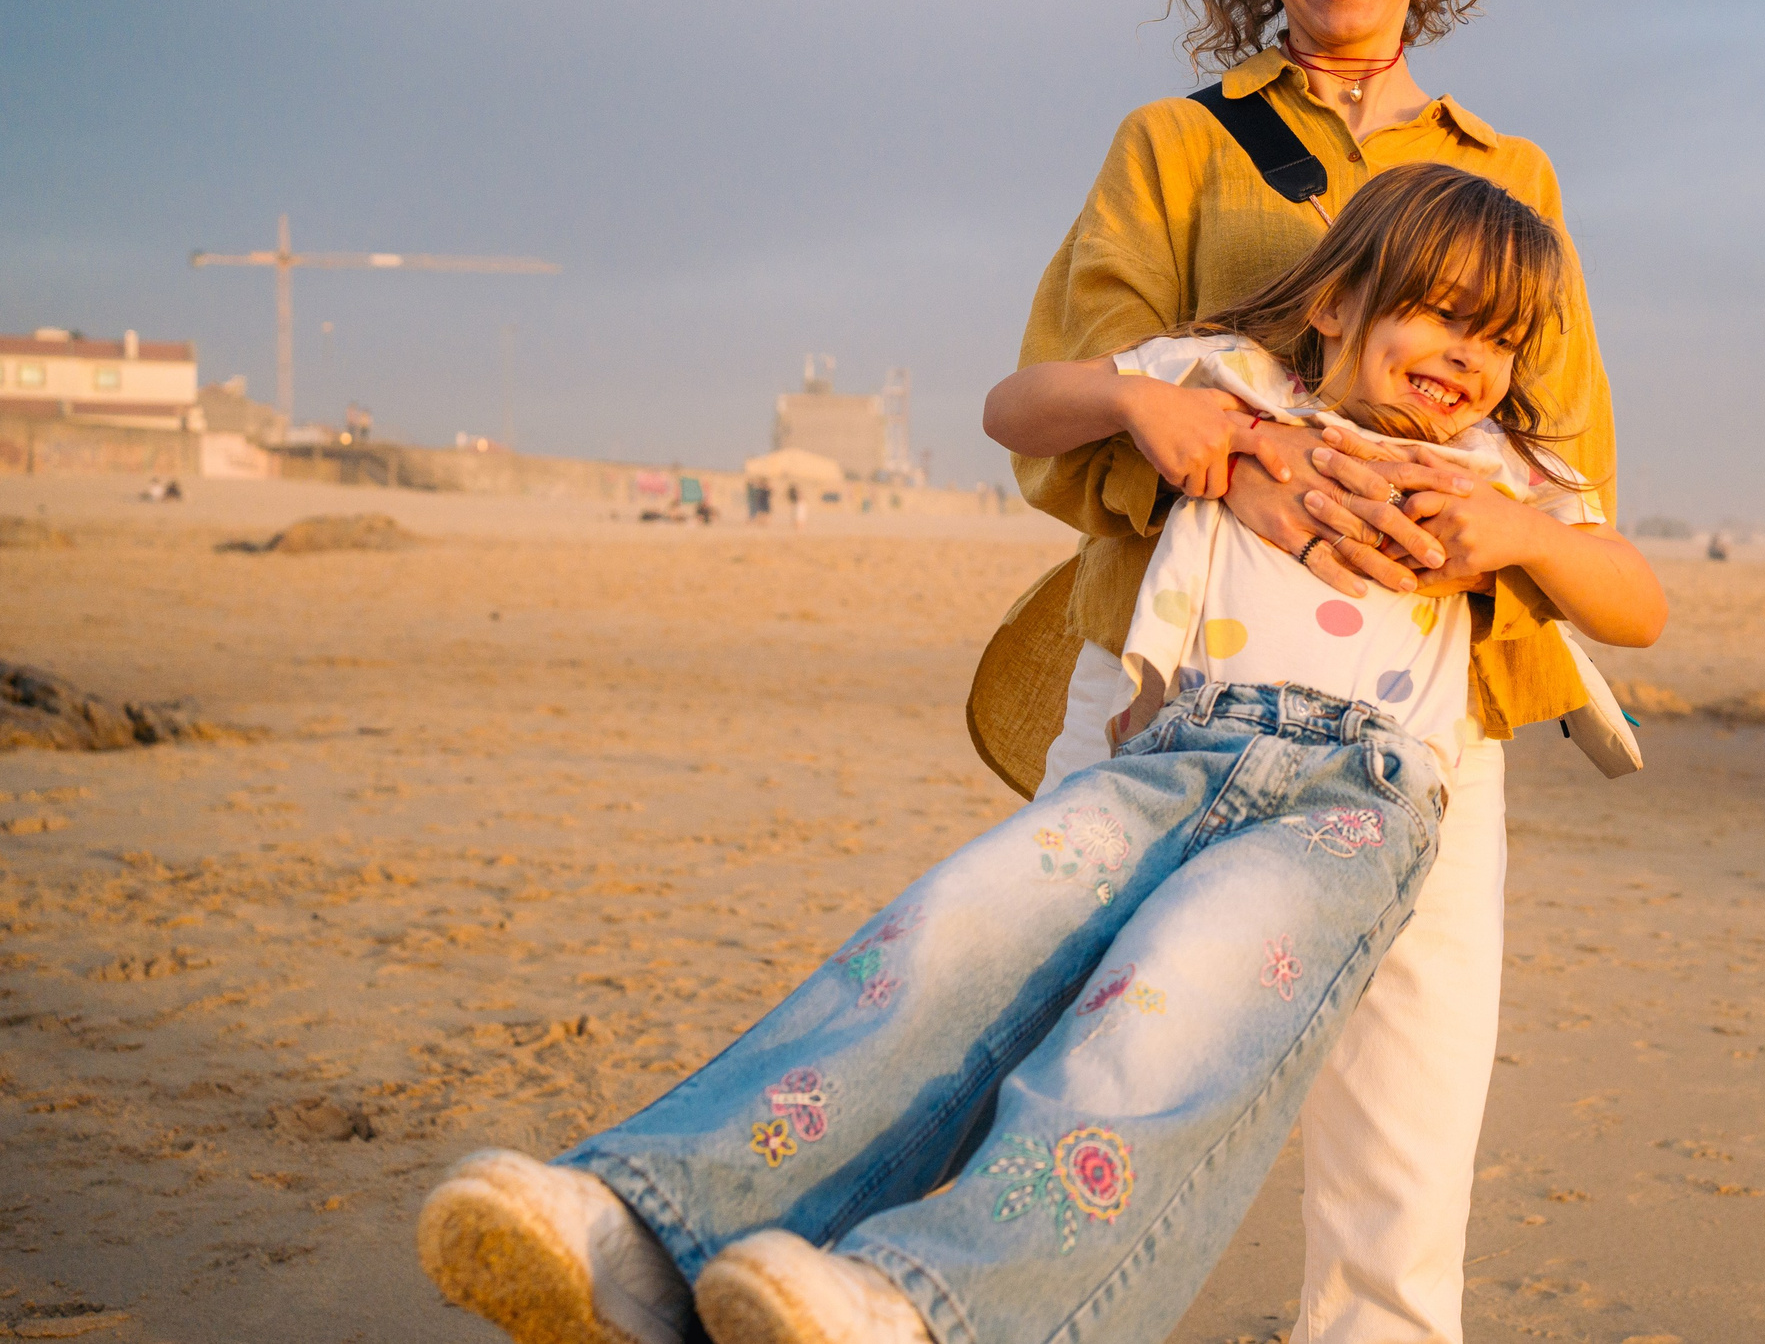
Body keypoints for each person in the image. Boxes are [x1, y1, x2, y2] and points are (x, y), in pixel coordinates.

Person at [414, 166, 1666, 1344]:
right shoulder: (1229, 383)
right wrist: (1143, 403)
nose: (1465, 354)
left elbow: (1634, 602)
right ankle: (645, 1218)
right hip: (1175, 749)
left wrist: (1519, 537)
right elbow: (1012, 408)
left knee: (1161, 1019)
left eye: (1497, 334)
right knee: (945, 935)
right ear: (1336, 302)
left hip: (1354, 799)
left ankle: (926, 1302)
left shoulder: (1504, 470)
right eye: (1436, 311)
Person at [968, 0, 1617, 1344]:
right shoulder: (1175, 143)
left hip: (1428, 724)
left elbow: (1572, 455)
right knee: (1062, 1075)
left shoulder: (1508, 173)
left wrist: (1484, 540)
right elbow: (1085, 398)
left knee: (1403, 1173)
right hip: (1171, 679)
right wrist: (1247, 468)